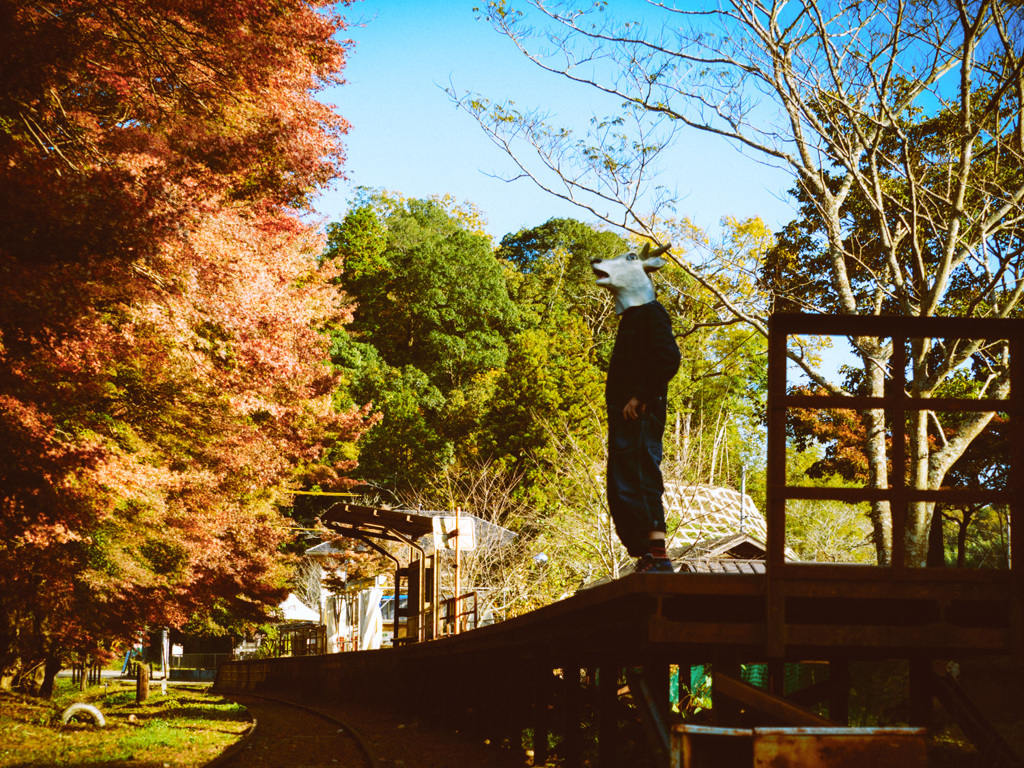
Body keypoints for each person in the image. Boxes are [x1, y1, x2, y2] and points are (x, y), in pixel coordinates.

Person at [592, 244, 681, 574]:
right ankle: (645, 553)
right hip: (625, 415)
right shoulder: (633, 317)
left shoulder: (650, 312)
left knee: (641, 475)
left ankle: (657, 552)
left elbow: (668, 357)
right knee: (623, 481)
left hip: (640, 412)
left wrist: (640, 396)